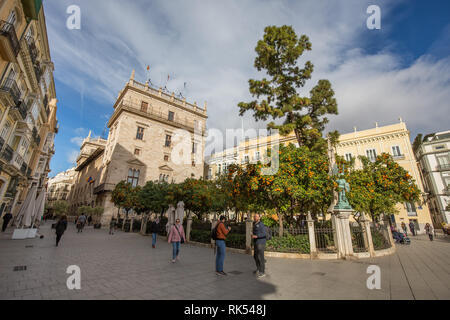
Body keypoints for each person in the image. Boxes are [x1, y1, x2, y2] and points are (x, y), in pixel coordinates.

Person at [252, 213, 267, 278]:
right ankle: (258, 268)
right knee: (255, 256)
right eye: (254, 216)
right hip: (256, 242)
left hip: (261, 242)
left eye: (256, 216)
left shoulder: (261, 224)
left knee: (261, 257)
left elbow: (264, 233)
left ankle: (262, 272)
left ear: (259, 218)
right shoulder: (254, 224)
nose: (255, 217)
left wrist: (257, 236)